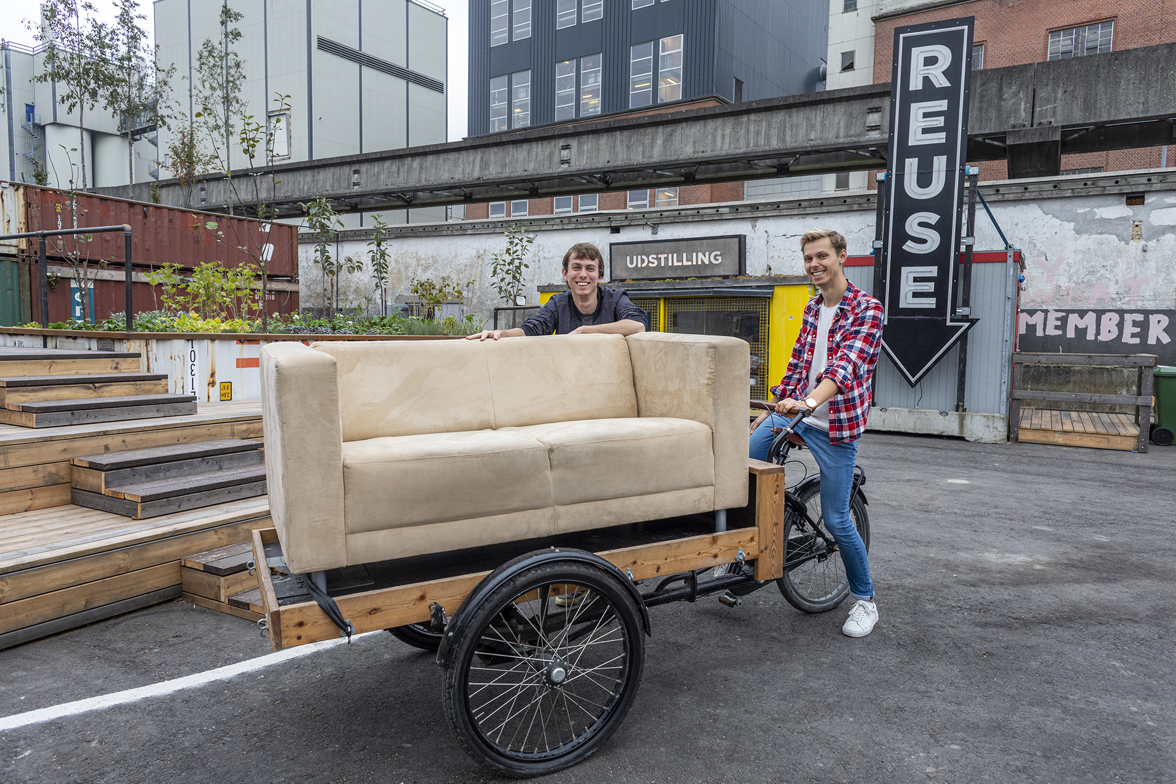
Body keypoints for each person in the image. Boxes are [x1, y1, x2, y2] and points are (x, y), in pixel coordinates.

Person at [749, 229, 884, 638]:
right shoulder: (812, 308)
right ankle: (745, 553)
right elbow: (797, 366)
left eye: (822, 256)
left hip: (835, 426)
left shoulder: (868, 309)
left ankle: (865, 601)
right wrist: (775, 408)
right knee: (745, 466)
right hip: (798, 416)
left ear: (842, 256)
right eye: (808, 258)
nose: (815, 265)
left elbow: (846, 367)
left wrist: (809, 403)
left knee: (840, 519)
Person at [467, 242, 648, 340]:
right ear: (565, 273)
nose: (583, 275)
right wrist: (500, 333)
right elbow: (532, 329)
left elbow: (637, 325)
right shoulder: (558, 303)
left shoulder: (616, 299)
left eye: (590, 269)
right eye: (576, 267)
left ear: (600, 276)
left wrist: (584, 331)